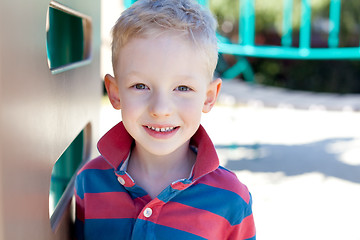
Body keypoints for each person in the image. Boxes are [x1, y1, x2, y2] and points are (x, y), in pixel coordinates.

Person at [74, 0, 256, 239]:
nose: (160, 109)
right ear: (115, 92)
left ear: (209, 97)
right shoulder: (89, 181)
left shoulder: (231, 199)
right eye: (140, 86)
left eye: (182, 88)